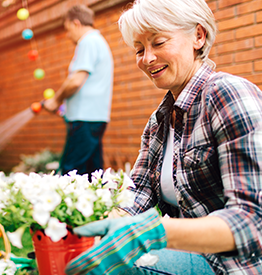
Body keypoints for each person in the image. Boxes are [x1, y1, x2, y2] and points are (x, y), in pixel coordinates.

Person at [65, 0, 262, 274]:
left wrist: (152, 232)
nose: (147, 58)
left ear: (198, 36)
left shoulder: (227, 95)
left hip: (231, 265)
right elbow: (137, 195)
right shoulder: (159, 121)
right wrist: (86, 232)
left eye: (158, 43)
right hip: (187, 257)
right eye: (139, 49)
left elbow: (253, 221)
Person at [43, 4, 113, 179]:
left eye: (68, 29)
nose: (68, 35)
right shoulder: (99, 42)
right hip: (95, 118)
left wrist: (55, 100)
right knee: (93, 175)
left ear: (76, 23)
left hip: (84, 120)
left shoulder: (87, 41)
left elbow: (75, 81)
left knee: (70, 173)